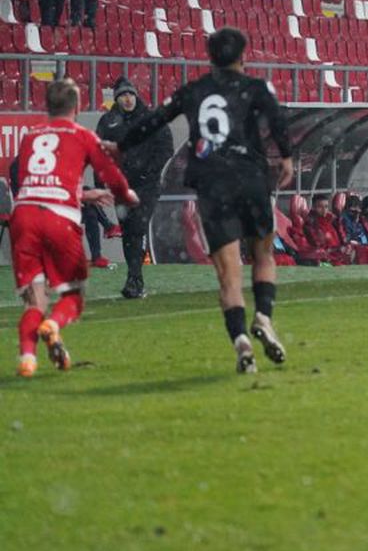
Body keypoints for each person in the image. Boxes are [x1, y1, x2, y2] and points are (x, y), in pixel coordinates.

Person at [111, 27, 294, 373]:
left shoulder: (194, 90)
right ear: (244, 55)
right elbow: (278, 120)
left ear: (210, 58)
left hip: (213, 183)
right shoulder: (255, 88)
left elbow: (154, 119)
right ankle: (264, 317)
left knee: (228, 274)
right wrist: (286, 157)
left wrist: (120, 145)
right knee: (263, 255)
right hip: (249, 176)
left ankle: (240, 340)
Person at [10, 79, 138, 378]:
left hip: (25, 216)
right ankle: (53, 325)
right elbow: (110, 173)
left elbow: (40, 184)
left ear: (47, 107)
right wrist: (127, 195)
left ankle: (27, 359)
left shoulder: (30, 137)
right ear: (77, 107)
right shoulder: (82, 135)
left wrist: (83, 194)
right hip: (58, 219)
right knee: (73, 297)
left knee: (34, 299)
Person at [97, 77, 175, 299]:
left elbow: (165, 149)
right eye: (123, 95)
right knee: (128, 230)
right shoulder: (109, 121)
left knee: (138, 226)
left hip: (147, 185)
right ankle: (134, 278)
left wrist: (148, 172)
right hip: (122, 186)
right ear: (117, 99)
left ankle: (135, 278)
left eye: (130, 94)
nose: (128, 99)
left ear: (136, 95)